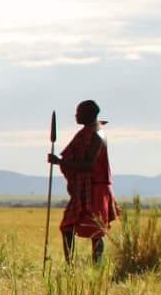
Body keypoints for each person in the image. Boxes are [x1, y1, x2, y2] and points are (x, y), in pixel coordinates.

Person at [47, 100, 117, 263]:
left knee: (96, 232)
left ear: (89, 114)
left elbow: (88, 164)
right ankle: (70, 267)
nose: (76, 115)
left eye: (79, 112)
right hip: (83, 188)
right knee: (67, 227)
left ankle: (96, 267)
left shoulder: (98, 134)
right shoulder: (85, 133)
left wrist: (60, 162)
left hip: (96, 189)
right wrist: (61, 161)